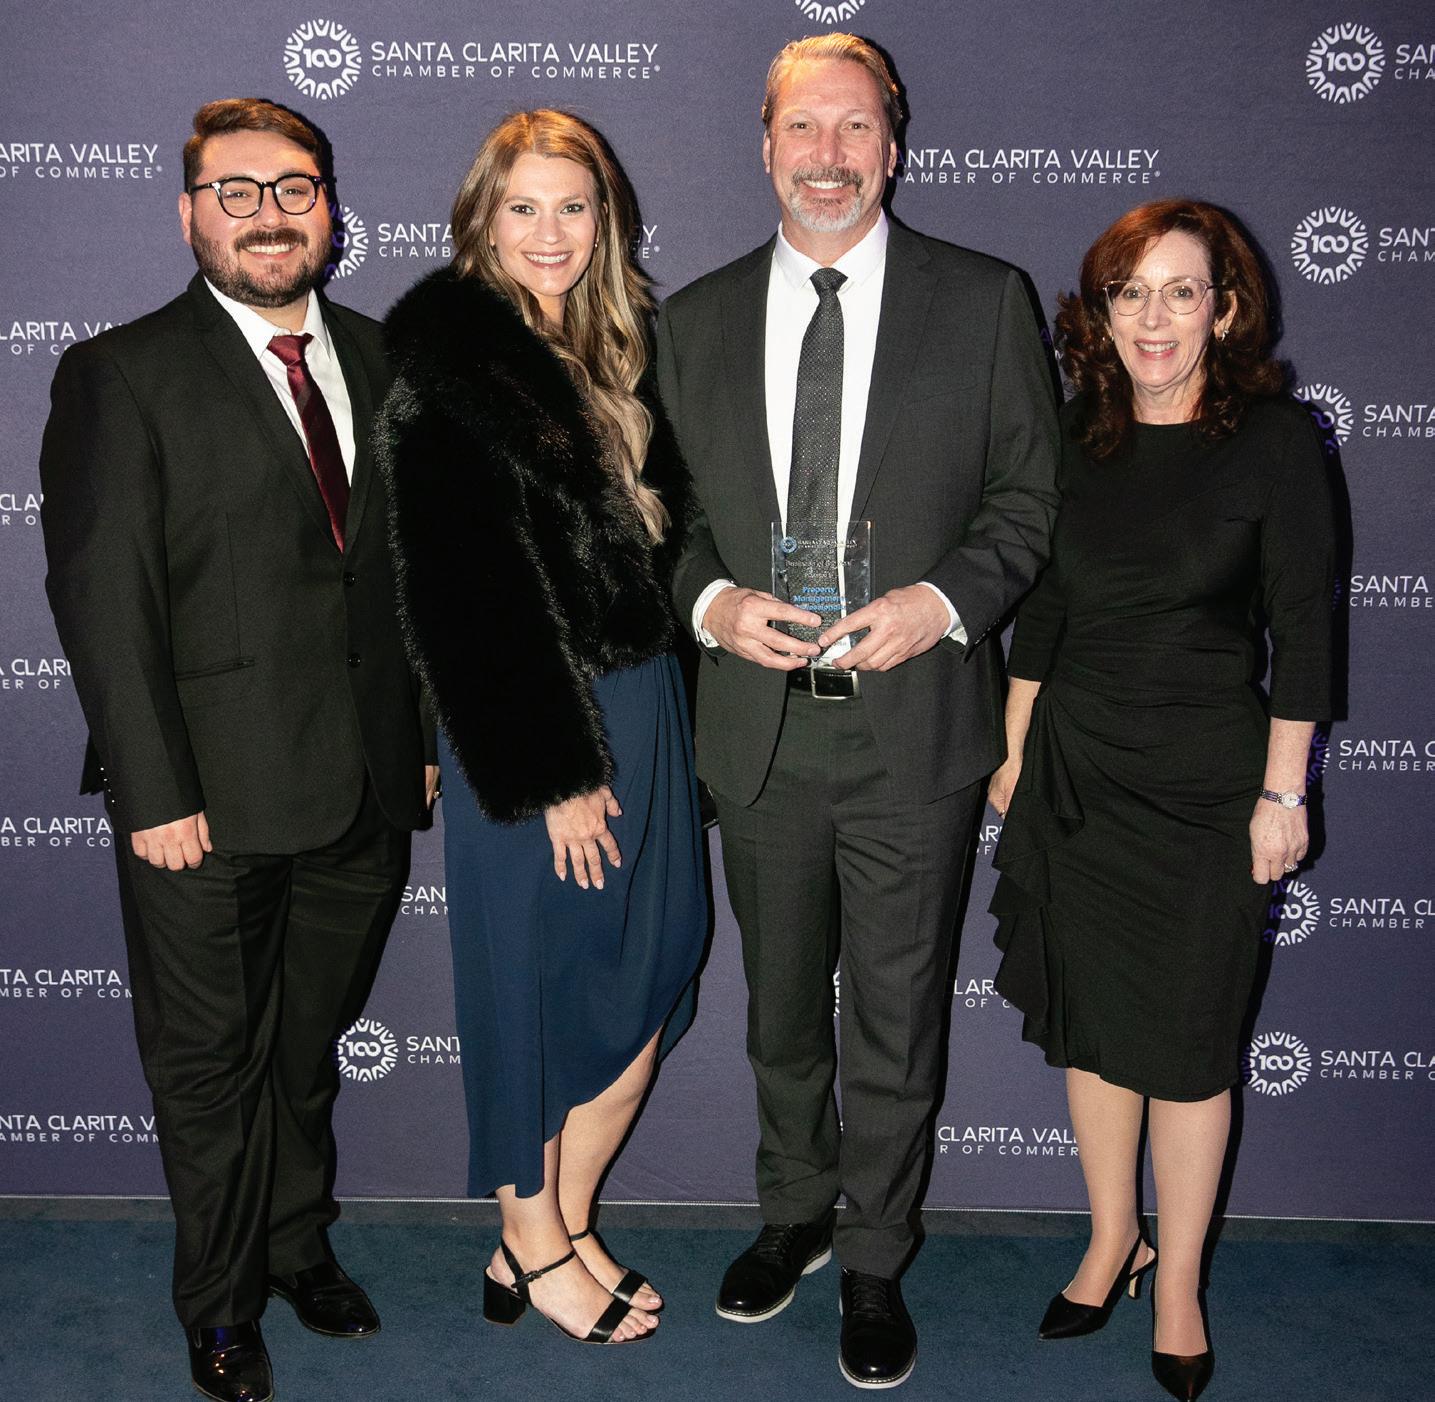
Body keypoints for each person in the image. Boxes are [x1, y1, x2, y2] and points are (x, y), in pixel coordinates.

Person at [656, 33, 1059, 1390]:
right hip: (758, 729)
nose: (826, 156)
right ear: (762, 145)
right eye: (801, 128)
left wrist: (941, 603)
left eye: (853, 128)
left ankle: (875, 1252)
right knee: (778, 1004)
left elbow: (1028, 500)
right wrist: (710, 602)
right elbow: (660, 520)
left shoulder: (982, 300)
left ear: (893, 143)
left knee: (893, 1014)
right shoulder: (693, 321)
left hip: (913, 729)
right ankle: (793, 1212)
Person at [38, 99, 436, 1402]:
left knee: (303, 1046)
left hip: (363, 785)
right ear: (189, 213)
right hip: (199, 804)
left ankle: (296, 1243)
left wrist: (420, 738)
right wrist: (152, 790)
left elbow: (413, 576)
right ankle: (218, 1304)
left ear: (330, 208)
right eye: (237, 190)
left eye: (295, 188)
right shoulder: (122, 372)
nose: (270, 213)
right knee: (209, 1068)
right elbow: (103, 597)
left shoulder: (384, 358)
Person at [988, 198, 1334, 1401]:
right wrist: (1013, 751)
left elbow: (1305, 630)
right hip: (1078, 774)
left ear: (1223, 311)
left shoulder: (1274, 442)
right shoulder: (1078, 434)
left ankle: (1177, 1280)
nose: (1153, 316)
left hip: (1205, 787)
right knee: (1094, 1031)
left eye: (1180, 291)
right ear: (1101, 310)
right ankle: (1108, 1240)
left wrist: (1282, 791)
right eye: (1129, 290)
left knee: (1188, 1049)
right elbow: (1044, 607)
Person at [377, 109, 705, 1348]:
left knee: (648, 974)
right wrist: (556, 772)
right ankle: (534, 1237)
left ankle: (548, 1229)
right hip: (538, 733)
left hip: (642, 707)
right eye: (524, 207)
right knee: (533, 991)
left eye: (573, 206)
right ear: (482, 218)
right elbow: (463, 600)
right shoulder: (453, 371)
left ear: (604, 219)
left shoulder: (607, 349)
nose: (551, 231)